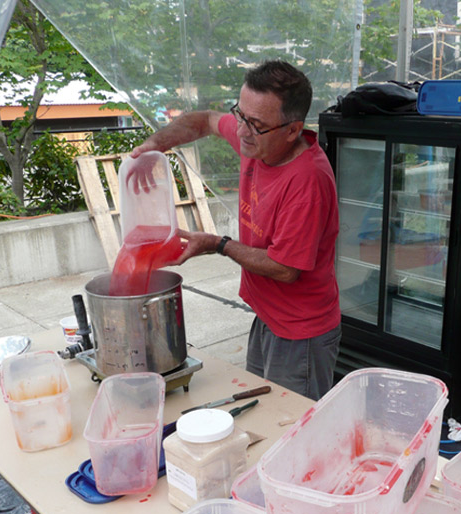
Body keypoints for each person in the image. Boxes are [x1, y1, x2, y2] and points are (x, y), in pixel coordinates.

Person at [130, 60, 341, 400]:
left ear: (292, 129)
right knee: (261, 405)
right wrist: (157, 144)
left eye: (255, 124)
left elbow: (285, 269)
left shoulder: (307, 182)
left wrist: (219, 244)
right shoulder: (258, 139)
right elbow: (205, 121)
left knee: (289, 427)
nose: (241, 130)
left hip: (300, 332)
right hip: (268, 316)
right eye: (240, 115)